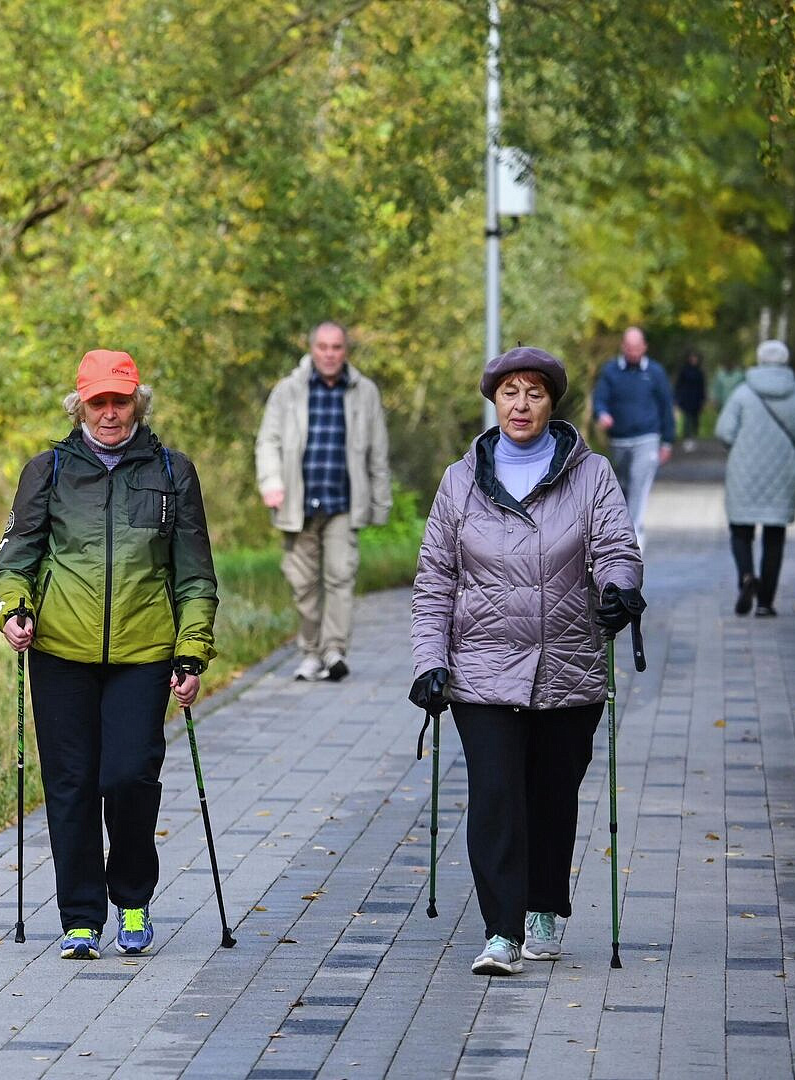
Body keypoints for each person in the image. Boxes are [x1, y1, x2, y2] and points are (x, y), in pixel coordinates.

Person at [407, 346, 645, 976]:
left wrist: (619, 589)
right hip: (481, 669)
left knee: (551, 795)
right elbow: (434, 579)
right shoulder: (461, 481)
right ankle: (501, 931)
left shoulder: (590, 475)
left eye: (534, 393)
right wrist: (429, 661)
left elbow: (617, 548)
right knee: (495, 796)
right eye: (509, 392)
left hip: (568, 665)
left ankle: (543, 905)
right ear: (494, 401)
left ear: (551, 403)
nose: (521, 405)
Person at [0, 349, 219, 960]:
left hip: (144, 652)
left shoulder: (172, 471)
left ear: (137, 403)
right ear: (80, 406)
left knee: (129, 777)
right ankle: (81, 919)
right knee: (70, 785)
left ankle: (134, 901)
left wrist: (191, 651)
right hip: (60, 651)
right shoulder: (48, 471)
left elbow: (196, 575)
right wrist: (14, 611)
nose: (110, 413)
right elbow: (12, 561)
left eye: (121, 401)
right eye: (99, 402)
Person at [253, 320, 392, 681]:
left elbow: (378, 452)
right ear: (312, 349)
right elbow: (267, 441)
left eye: (337, 347)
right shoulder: (288, 390)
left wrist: (380, 504)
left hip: (343, 502)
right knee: (303, 584)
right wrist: (271, 482)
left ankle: (334, 651)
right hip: (297, 503)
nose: (330, 354)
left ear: (345, 351)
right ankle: (310, 653)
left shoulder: (365, 392)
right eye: (323, 347)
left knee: (340, 577)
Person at [716, 340, 795, 617]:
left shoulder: (742, 393)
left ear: (760, 360)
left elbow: (724, 431)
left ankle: (747, 576)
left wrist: (739, 449)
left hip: (743, 473)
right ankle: (765, 603)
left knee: (740, 531)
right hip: (783, 476)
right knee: (774, 538)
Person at [590, 326, 676, 548]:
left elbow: (666, 407)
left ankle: (635, 539)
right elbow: (600, 399)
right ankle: (621, 531)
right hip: (619, 440)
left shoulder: (655, 372)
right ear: (623, 347)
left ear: (644, 347)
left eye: (637, 348)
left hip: (647, 438)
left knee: (639, 485)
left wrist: (667, 441)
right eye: (629, 348)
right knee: (621, 488)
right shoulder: (611, 371)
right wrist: (602, 414)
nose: (633, 352)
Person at [674, 349, 707, 450]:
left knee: (695, 419)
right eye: (692, 358)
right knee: (687, 419)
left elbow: (702, 386)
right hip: (686, 398)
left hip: (697, 399)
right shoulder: (684, 371)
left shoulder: (699, 372)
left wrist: (703, 399)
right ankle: (687, 438)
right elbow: (679, 385)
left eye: (695, 358)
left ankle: (693, 436)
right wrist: (678, 398)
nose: (693, 360)